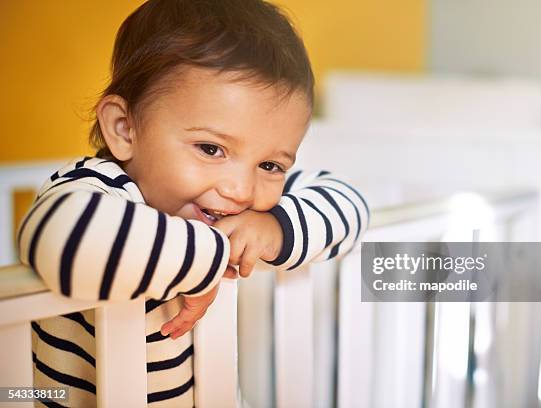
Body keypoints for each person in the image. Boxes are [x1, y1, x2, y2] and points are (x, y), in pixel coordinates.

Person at [16, 0, 369, 406]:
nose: (241, 189)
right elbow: (64, 240)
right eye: (210, 148)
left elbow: (351, 203)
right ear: (124, 129)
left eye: (270, 164)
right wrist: (212, 257)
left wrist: (276, 230)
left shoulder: (250, 206)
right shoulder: (95, 188)